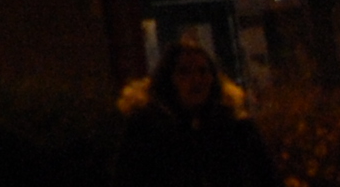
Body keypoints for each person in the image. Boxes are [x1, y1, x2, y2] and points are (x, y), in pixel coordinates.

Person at [114, 39, 276, 187]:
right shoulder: (146, 132)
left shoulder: (238, 130)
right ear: (168, 80)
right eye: (184, 72)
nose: (196, 79)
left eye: (203, 71)